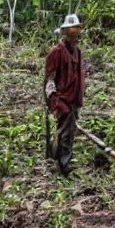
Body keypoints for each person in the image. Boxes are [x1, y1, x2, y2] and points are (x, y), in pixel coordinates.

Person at [44, 14, 85, 176]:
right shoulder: (56, 52)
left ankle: (58, 160)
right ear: (65, 34)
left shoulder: (77, 52)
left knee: (68, 134)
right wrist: (53, 100)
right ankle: (64, 167)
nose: (75, 38)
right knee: (64, 134)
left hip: (74, 99)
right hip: (62, 100)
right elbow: (50, 79)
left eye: (77, 35)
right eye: (72, 35)